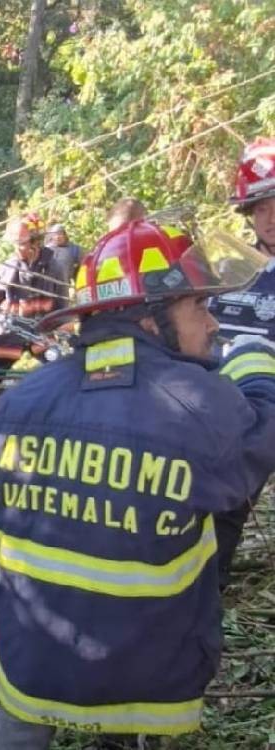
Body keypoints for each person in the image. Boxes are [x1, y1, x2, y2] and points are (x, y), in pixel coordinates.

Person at [0, 219, 275, 748]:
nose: (213, 325)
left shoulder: (20, 399)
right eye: (198, 307)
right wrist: (256, 363)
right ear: (152, 320)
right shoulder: (201, 405)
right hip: (143, 681)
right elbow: (259, 443)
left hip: (32, 672)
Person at [207, 136, 275, 586]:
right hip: (237, 424)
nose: (270, 218)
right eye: (260, 207)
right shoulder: (231, 271)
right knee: (221, 512)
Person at [0, 214, 66, 370]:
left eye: (20, 244)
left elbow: (62, 305)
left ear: (36, 243)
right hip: (8, 333)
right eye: (15, 244)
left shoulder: (54, 268)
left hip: (41, 334)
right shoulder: (7, 268)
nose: (17, 248)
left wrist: (63, 330)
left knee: (55, 372)